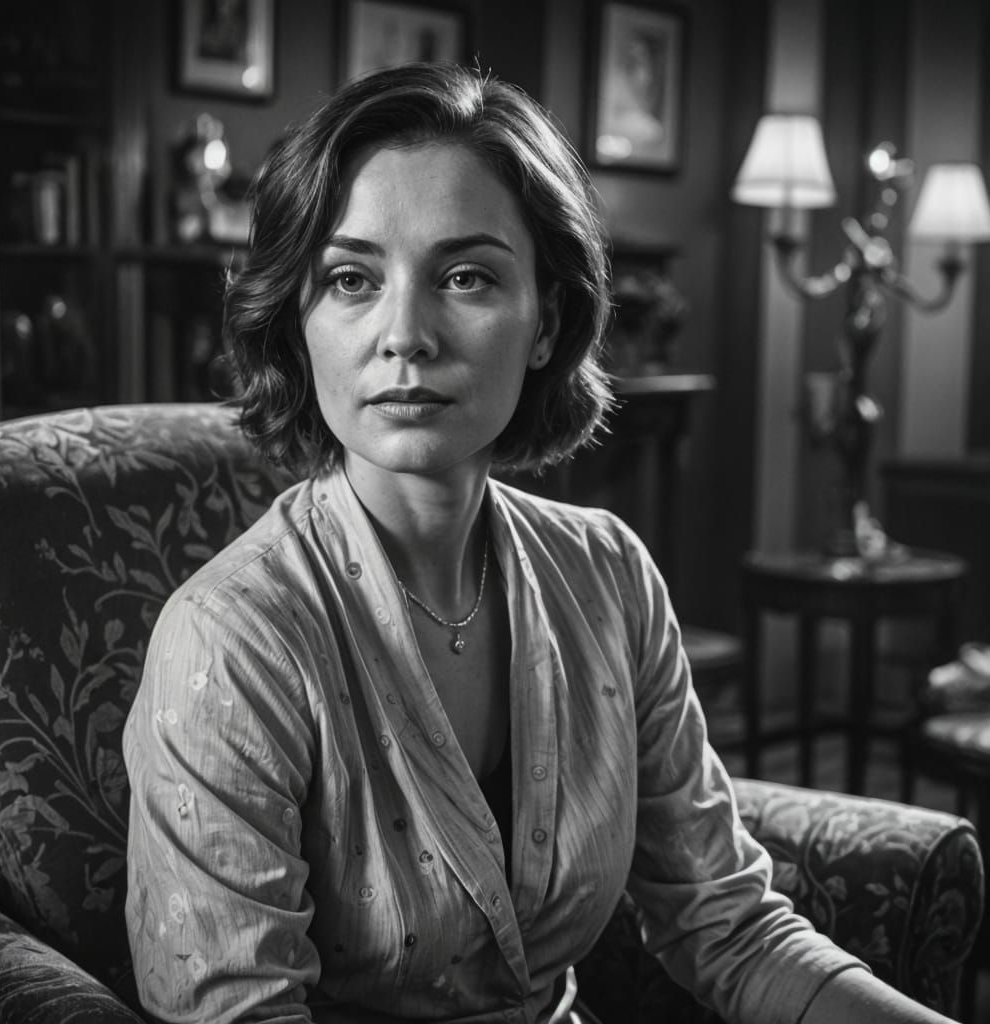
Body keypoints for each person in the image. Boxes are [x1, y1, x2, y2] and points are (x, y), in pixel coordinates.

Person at [123, 62, 961, 1024]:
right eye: (351, 280)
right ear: (298, 319)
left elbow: (728, 926)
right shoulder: (231, 643)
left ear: (545, 321)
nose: (406, 335)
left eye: (466, 276)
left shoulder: (605, 573)